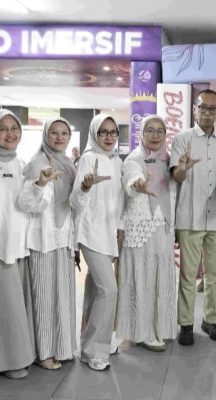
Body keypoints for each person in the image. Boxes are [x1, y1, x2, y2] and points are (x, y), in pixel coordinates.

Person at [170, 89, 216, 345]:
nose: (207, 113)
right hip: (190, 217)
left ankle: (211, 320)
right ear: (194, 110)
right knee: (188, 275)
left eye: (212, 108)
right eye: (203, 108)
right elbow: (176, 177)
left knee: (215, 275)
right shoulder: (181, 139)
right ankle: (186, 324)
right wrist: (183, 169)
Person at [18, 118, 76, 370]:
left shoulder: (69, 165)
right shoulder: (36, 163)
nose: (59, 137)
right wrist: (41, 183)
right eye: (54, 132)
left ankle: (62, 347)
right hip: (42, 240)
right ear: (45, 135)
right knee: (43, 298)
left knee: (62, 296)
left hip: (63, 240)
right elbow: (26, 204)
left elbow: (73, 205)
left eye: (64, 133)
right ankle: (43, 353)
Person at [116, 115, 176, 351]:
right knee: (142, 277)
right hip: (141, 228)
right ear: (141, 134)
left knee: (161, 277)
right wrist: (137, 184)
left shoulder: (169, 160)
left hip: (163, 227)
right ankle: (143, 331)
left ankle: (160, 326)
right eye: (149, 130)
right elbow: (132, 178)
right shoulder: (134, 158)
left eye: (160, 130)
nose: (155, 135)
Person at [70, 114, 124, 371]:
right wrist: (85, 187)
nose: (109, 136)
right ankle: (96, 350)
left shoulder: (117, 161)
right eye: (103, 131)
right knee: (109, 290)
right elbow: (75, 201)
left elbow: (121, 200)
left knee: (94, 290)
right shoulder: (88, 159)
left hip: (109, 234)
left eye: (113, 132)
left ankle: (87, 344)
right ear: (94, 133)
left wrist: (120, 228)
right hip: (90, 232)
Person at [0, 109, 35, 379]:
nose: (9, 134)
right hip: (2, 247)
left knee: (15, 304)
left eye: (14, 128)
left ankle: (18, 356)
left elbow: (28, 204)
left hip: (19, 244)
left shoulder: (23, 164)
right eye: (3, 129)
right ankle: (11, 362)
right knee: (9, 306)